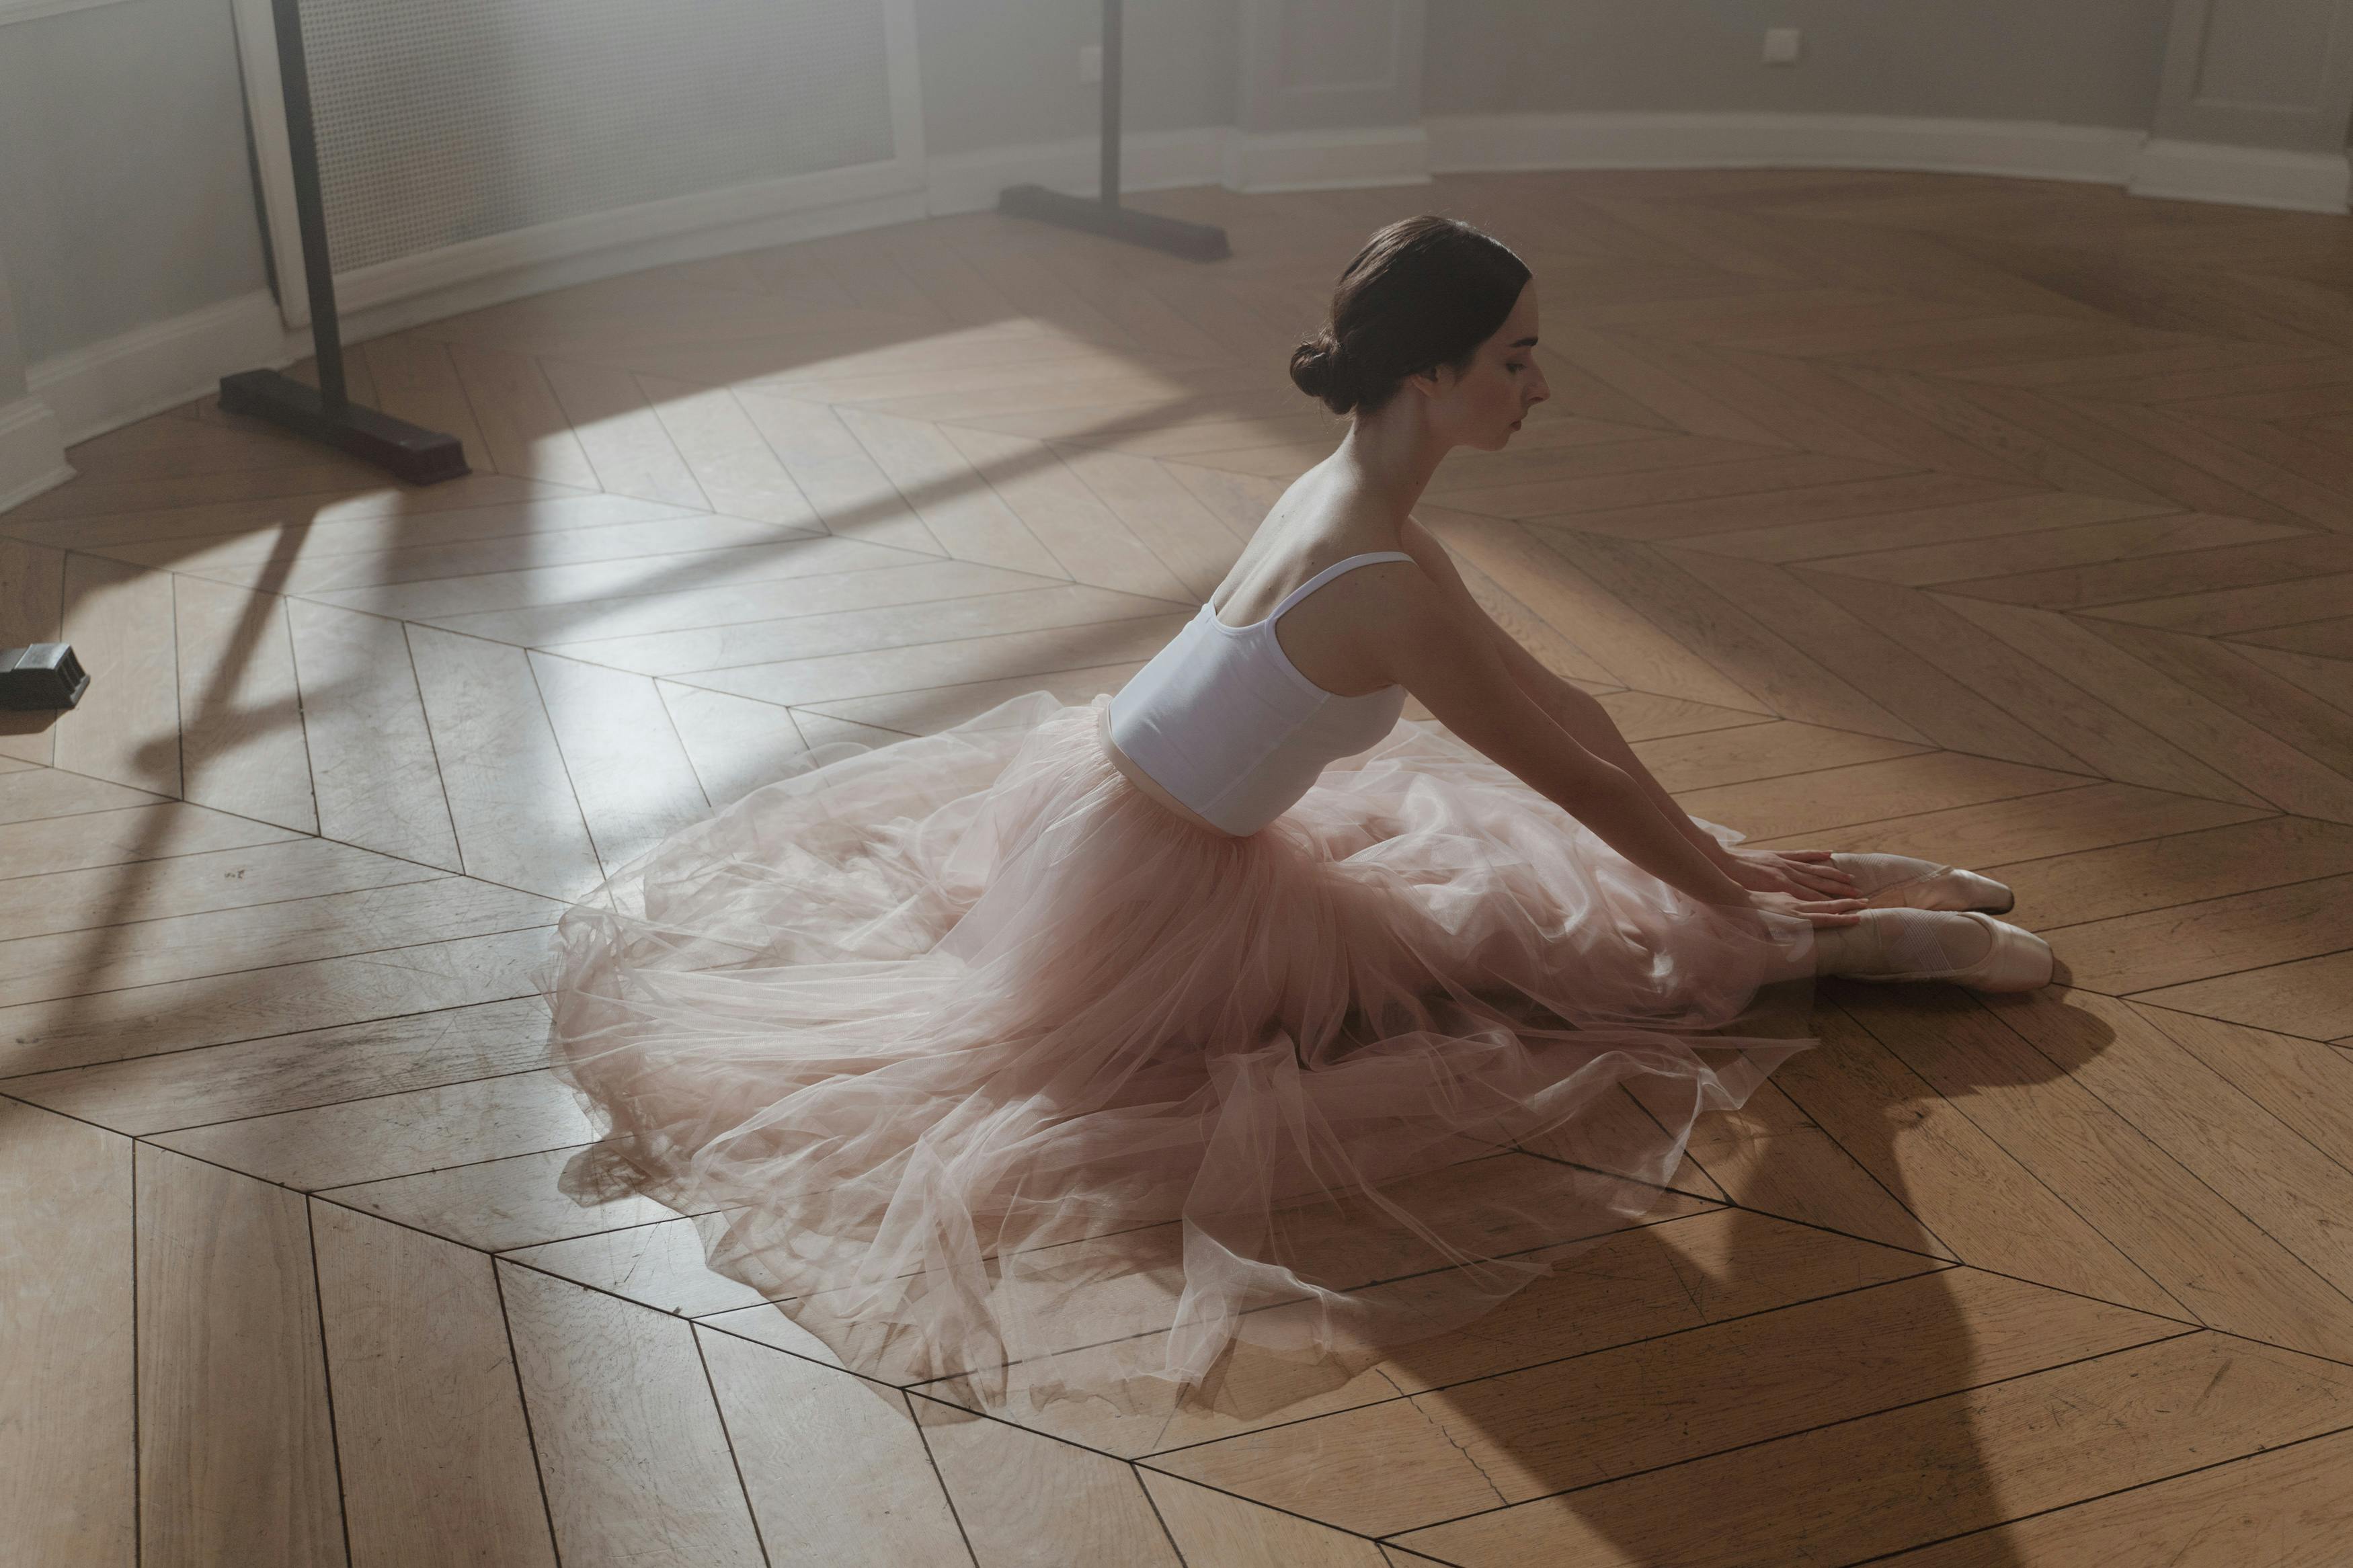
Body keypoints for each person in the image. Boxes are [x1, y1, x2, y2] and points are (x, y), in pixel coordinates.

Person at [544, 216, 2050, 1399]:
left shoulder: (1349, 493)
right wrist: (1733, 904)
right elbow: (1566, 772)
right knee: (1536, 942)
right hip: (1170, 892)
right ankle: (1827, 945)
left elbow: (1571, 721)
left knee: (1529, 858)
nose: (1542, 387)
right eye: (1516, 360)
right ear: (1431, 376)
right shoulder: (1378, 576)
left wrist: (1717, 847)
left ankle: (1810, 890)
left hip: (1112, 807)